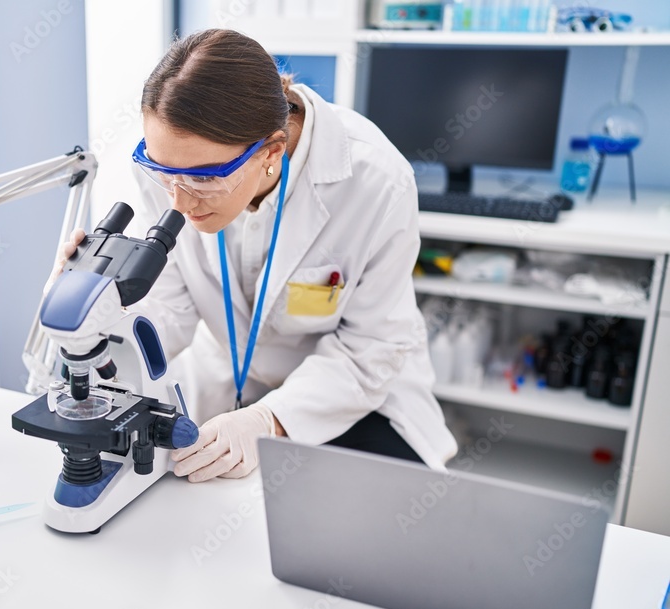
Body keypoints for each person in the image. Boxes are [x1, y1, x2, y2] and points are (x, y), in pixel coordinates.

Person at [56, 28, 457, 483]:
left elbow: (371, 348)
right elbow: (171, 308)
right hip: (226, 384)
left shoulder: (376, 181)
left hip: (349, 393)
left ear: (271, 151)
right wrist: (98, 319)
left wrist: (268, 420)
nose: (180, 204)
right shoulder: (172, 163)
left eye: (205, 179)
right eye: (163, 174)